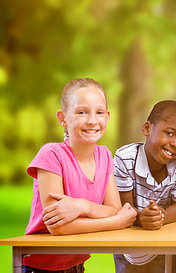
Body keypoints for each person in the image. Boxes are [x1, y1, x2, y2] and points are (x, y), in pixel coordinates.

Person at [23, 78, 137, 273]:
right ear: (63, 118)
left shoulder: (105, 155)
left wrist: (82, 206)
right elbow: (57, 227)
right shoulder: (51, 154)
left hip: (77, 266)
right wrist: (116, 223)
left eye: (99, 112)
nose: (92, 120)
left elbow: (113, 208)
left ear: (107, 117)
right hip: (41, 268)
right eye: (81, 112)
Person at [113, 100, 176, 273]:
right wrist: (141, 218)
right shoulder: (124, 158)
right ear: (147, 128)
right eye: (169, 133)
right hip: (130, 240)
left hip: (164, 239)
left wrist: (161, 216)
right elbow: (124, 208)